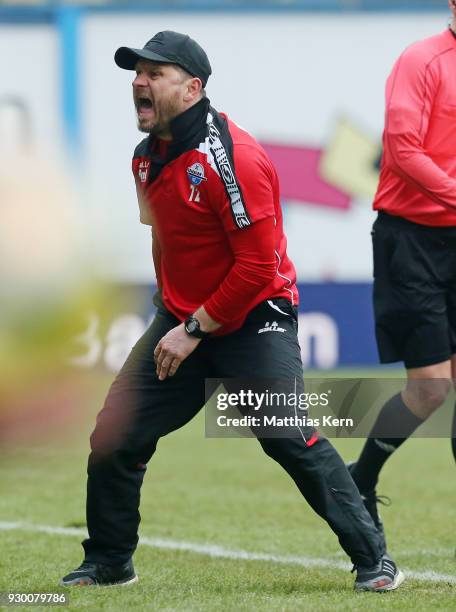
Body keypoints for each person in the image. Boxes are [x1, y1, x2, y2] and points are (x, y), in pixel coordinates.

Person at [60, 30, 403, 592]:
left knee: (284, 435)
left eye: (155, 73)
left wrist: (192, 329)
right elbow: (164, 238)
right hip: (183, 319)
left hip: (254, 313)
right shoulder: (146, 160)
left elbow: (258, 270)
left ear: (193, 87)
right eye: (136, 73)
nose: (139, 83)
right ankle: (108, 561)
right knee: (114, 438)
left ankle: (374, 558)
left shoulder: (235, 158)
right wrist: (171, 314)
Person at [349, 2, 456, 547]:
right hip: (411, 239)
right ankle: (360, 478)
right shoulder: (422, 60)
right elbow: (403, 148)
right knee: (431, 389)